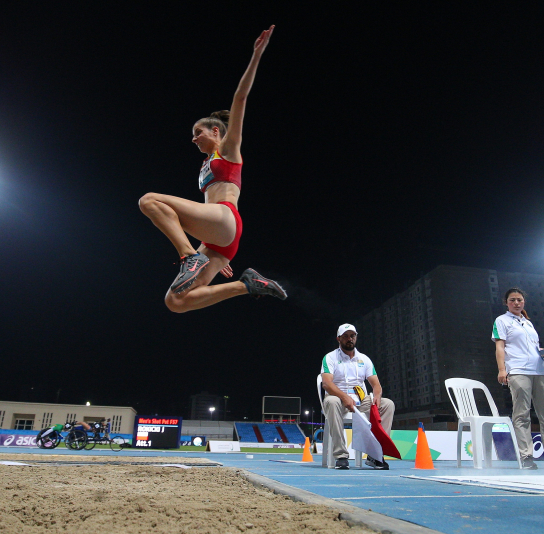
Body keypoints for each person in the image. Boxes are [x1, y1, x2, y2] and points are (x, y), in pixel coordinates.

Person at [138, 25, 287, 313]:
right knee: (175, 302)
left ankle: (188, 256)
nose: (193, 139)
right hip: (219, 240)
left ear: (216, 131)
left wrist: (257, 54)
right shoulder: (206, 164)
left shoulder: (228, 149)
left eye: (198, 132)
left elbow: (240, 98)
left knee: (149, 201)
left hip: (225, 218)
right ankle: (248, 285)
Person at [493, 287, 544, 470]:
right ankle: (526, 456)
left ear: (524, 302)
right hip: (518, 370)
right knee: (522, 414)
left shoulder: (528, 323)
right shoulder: (502, 321)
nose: (516, 303)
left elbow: (533, 351)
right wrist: (501, 370)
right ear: (506, 303)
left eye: (519, 300)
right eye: (512, 300)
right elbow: (500, 347)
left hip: (541, 371)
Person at [321, 324, 395, 470]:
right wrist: (344, 397)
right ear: (339, 339)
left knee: (388, 404)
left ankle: (375, 455)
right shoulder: (330, 357)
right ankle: (341, 455)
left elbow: (376, 385)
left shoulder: (364, 359)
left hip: (361, 400)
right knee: (331, 400)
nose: (350, 339)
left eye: (352, 336)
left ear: (356, 337)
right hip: (339, 399)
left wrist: (377, 395)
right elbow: (327, 384)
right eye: (346, 336)